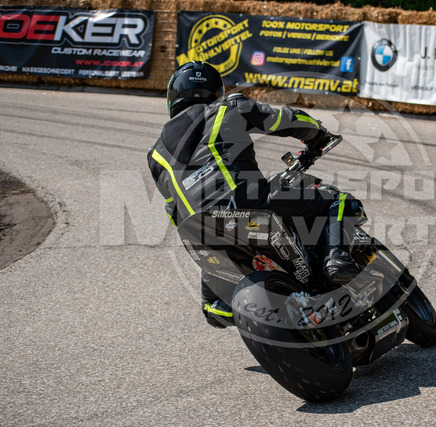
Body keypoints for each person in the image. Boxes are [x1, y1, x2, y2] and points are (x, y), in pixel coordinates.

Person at [147, 61, 367, 328]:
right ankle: (337, 259)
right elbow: (285, 119)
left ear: (173, 98)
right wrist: (317, 134)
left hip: (200, 233)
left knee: (213, 304)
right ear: (216, 91)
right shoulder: (227, 108)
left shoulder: (155, 154)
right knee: (338, 201)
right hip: (248, 206)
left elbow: (172, 210)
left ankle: (221, 303)